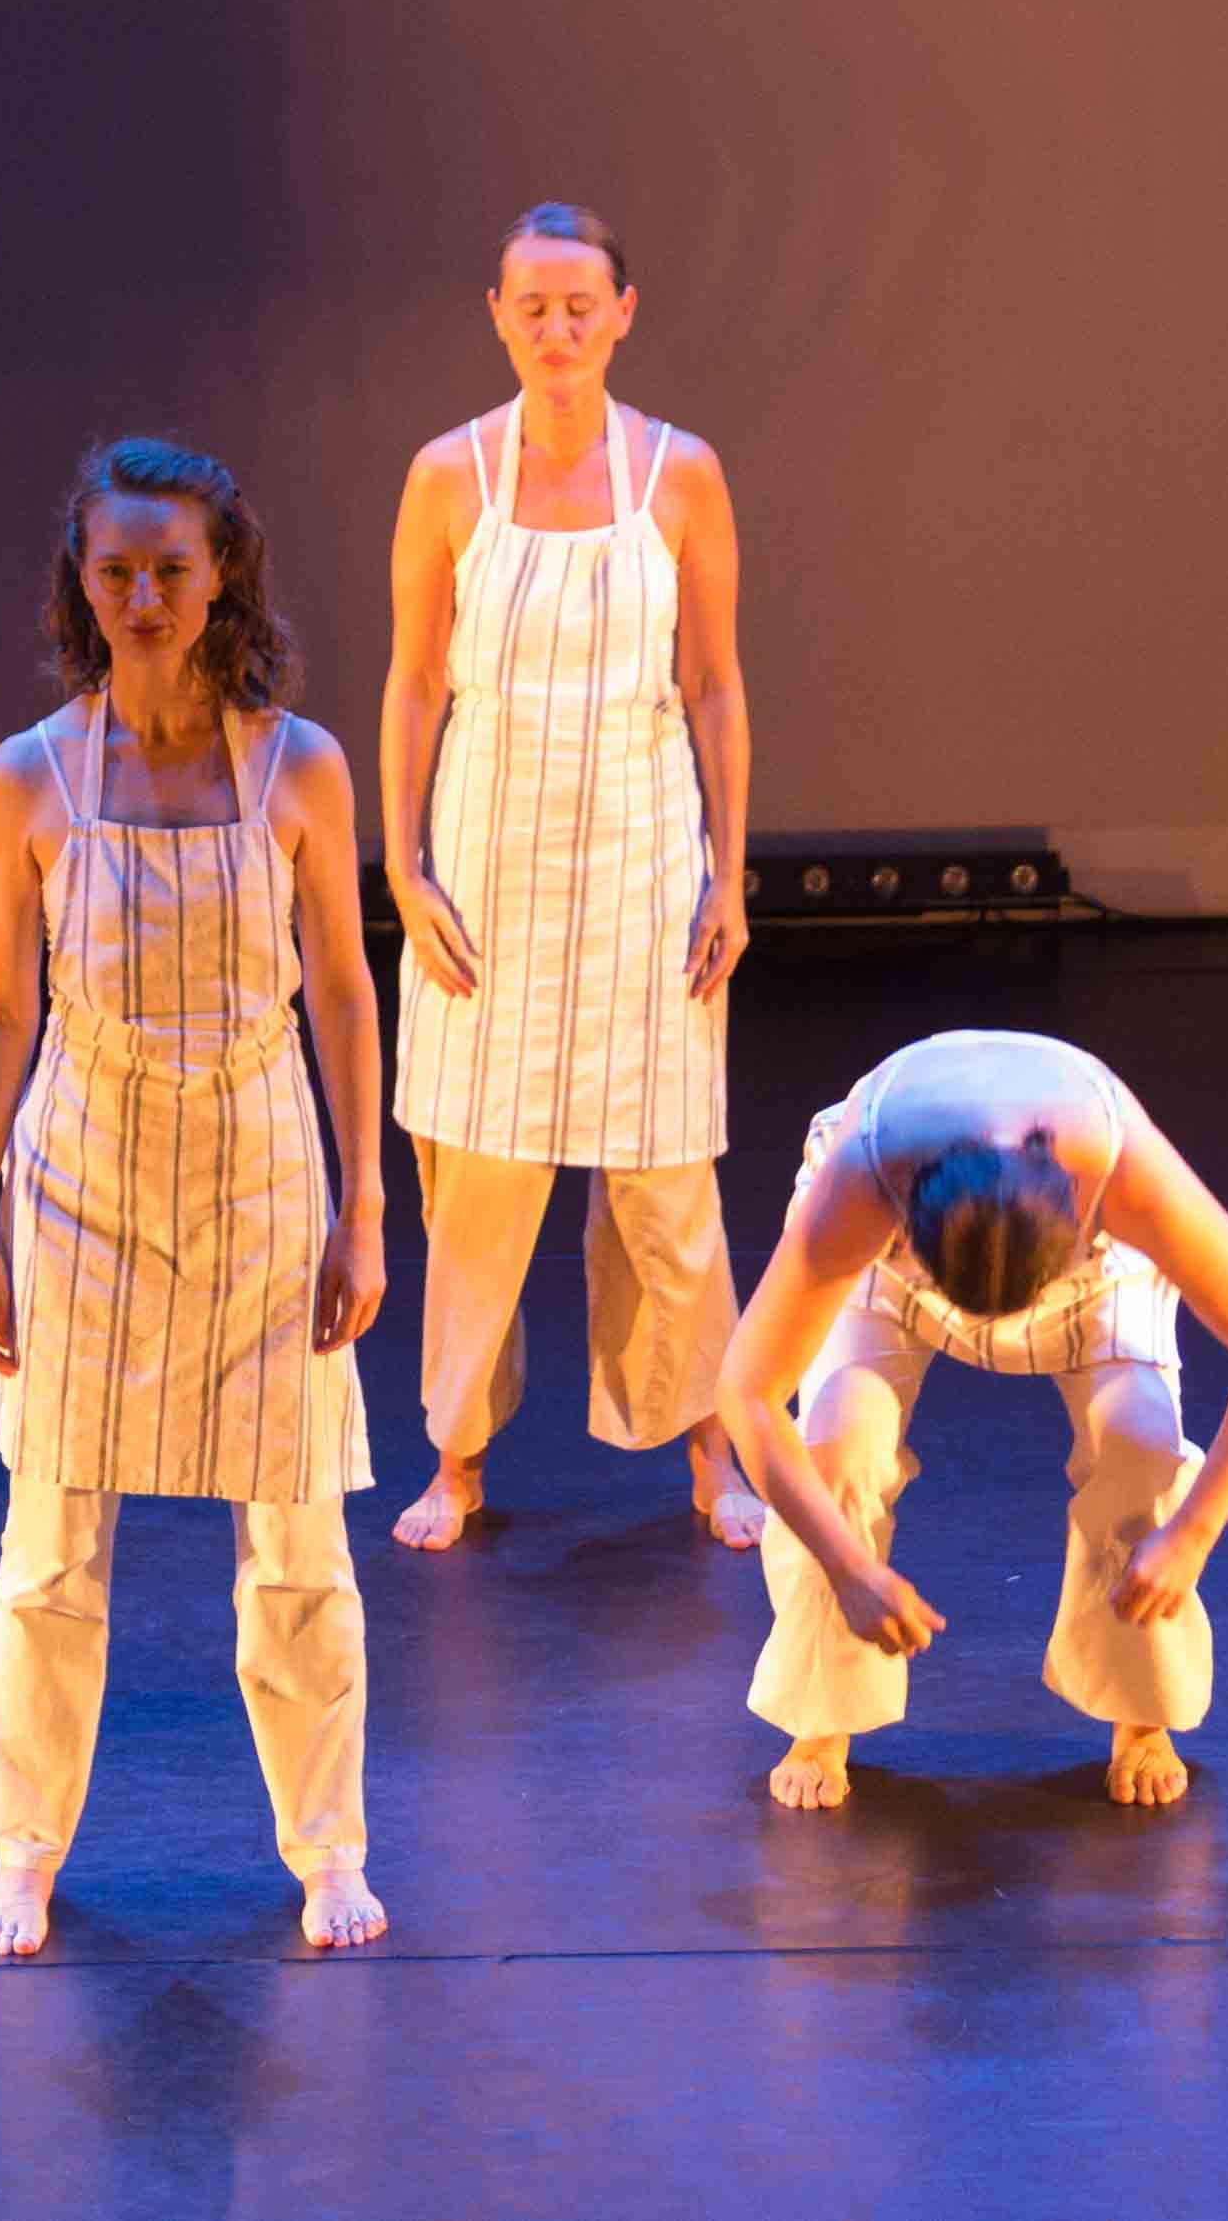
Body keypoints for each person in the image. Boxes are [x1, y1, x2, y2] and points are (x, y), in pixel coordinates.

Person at [0, 439, 391, 1957]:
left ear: (221, 578)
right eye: (118, 569)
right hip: (83, 1172)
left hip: (261, 1170)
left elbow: (343, 987)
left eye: (171, 569)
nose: (144, 596)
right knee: (50, 1545)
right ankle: (23, 1850)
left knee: (299, 1546)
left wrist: (364, 1206)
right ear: (82, 582)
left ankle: (328, 1847)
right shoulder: (30, 774)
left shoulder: (298, 765)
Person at [385, 202, 764, 1554]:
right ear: (497, 316)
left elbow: (712, 683)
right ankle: (456, 1457)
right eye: (532, 306)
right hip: (487, 864)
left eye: (578, 306)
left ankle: (714, 1450)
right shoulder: (448, 475)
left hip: (642, 862)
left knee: (665, 1174)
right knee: (477, 1179)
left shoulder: (680, 474)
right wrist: (403, 864)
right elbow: (415, 682)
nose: (556, 329)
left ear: (621, 315)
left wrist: (728, 874)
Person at [717, 1032, 1228, 1810]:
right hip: (893, 1266)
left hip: (1091, 1280)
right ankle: (820, 1715)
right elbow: (748, 1393)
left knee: (1138, 1447)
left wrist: (1193, 1535)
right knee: (837, 1444)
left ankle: (1139, 1717)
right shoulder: (859, 1187)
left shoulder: (1126, 1176)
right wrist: (847, 1569)